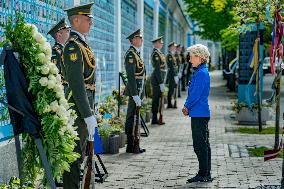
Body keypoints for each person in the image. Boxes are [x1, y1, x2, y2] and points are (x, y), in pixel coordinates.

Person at [63, 3, 97, 189]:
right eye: (87, 19)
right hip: (77, 109)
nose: (90, 23)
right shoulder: (72, 47)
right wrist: (86, 113)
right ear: (75, 20)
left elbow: (89, 84)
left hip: (85, 107)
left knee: (82, 154)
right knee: (74, 157)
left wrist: (91, 110)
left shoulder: (82, 44)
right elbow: (77, 85)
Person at [182, 44, 212, 183]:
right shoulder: (201, 71)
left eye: (191, 56)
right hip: (200, 112)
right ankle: (205, 173)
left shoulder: (201, 73)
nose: (189, 59)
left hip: (199, 113)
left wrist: (186, 106)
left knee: (200, 144)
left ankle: (203, 174)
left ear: (199, 57)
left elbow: (195, 94)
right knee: (203, 144)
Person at [124, 29, 146, 153]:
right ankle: (130, 144)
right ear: (133, 40)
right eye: (139, 38)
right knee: (131, 116)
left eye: (141, 38)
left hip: (138, 89)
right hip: (135, 90)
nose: (141, 40)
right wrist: (134, 94)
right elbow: (131, 76)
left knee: (135, 116)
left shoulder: (136, 53)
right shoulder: (131, 54)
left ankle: (134, 144)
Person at [47, 18, 71, 89]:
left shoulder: (65, 50)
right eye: (67, 31)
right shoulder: (55, 52)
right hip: (61, 90)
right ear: (59, 35)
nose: (70, 33)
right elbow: (55, 74)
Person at [150, 36, 166, 125]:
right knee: (155, 100)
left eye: (162, 42)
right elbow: (157, 69)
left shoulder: (159, 53)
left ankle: (158, 117)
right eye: (160, 43)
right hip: (157, 80)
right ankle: (154, 119)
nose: (162, 44)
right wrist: (160, 83)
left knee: (160, 99)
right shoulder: (156, 54)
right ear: (156, 44)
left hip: (160, 78)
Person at [167, 42, 178, 108]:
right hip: (171, 75)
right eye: (173, 47)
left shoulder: (172, 55)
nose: (175, 48)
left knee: (173, 89)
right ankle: (169, 104)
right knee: (171, 89)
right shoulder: (169, 56)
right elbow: (171, 67)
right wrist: (174, 76)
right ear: (170, 47)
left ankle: (171, 103)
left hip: (174, 75)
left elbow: (175, 66)